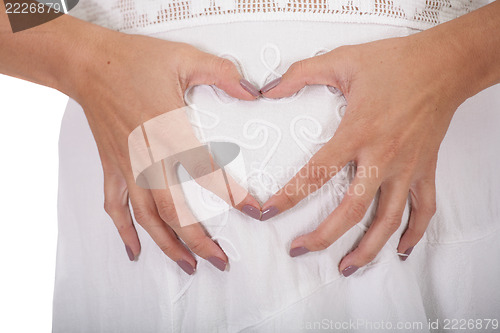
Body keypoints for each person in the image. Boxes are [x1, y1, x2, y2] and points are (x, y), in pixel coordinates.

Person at [1, 0, 499, 331]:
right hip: (143, 190)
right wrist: (81, 57)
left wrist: (455, 59)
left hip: (425, 176)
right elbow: (20, 8)